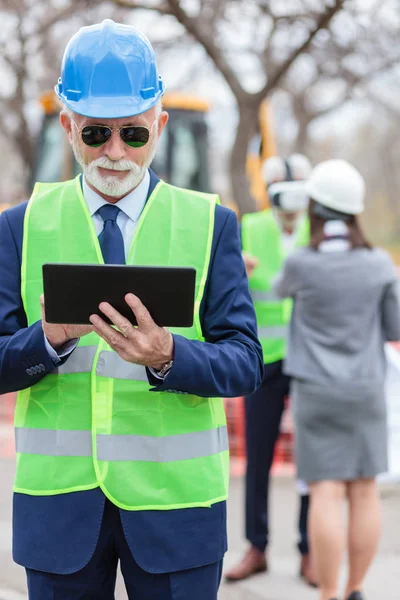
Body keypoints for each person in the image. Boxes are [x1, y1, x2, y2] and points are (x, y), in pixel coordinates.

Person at [0, 20, 263, 599]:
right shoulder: (18, 228)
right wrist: (47, 341)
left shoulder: (211, 225)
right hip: (60, 513)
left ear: (160, 125)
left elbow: (245, 362)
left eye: (134, 135)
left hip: (177, 513)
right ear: (67, 125)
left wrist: (170, 355)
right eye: (96, 134)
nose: (115, 152)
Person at [273, 159, 400, 600]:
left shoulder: (303, 264)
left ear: (315, 207)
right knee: (364, 492)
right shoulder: (380, 264)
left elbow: (276, 290)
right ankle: (356, 588)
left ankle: (328, 594)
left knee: (325, 494)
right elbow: (394, 327)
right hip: (365, 390)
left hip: (315, 390)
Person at [226, 154, 317, 585]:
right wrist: (236, 270)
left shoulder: (318, 231)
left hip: (307, 359)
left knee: (311, 458)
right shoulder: (251, 227)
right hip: (261, 358)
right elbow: (228, 287)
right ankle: (257, 546)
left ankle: (310, 549)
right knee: (258, 456)